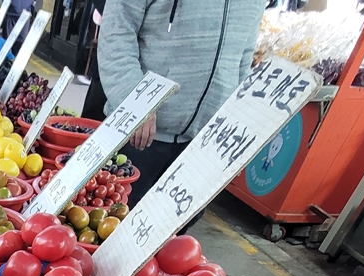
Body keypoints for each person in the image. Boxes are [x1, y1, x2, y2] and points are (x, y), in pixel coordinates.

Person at [97, 0, 266, 198]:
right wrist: (136, 101)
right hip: (140, 133)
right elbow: (116, 32)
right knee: (115, 213)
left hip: (204, 144)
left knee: (175, 219)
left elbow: (244, 57)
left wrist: (237, 124)